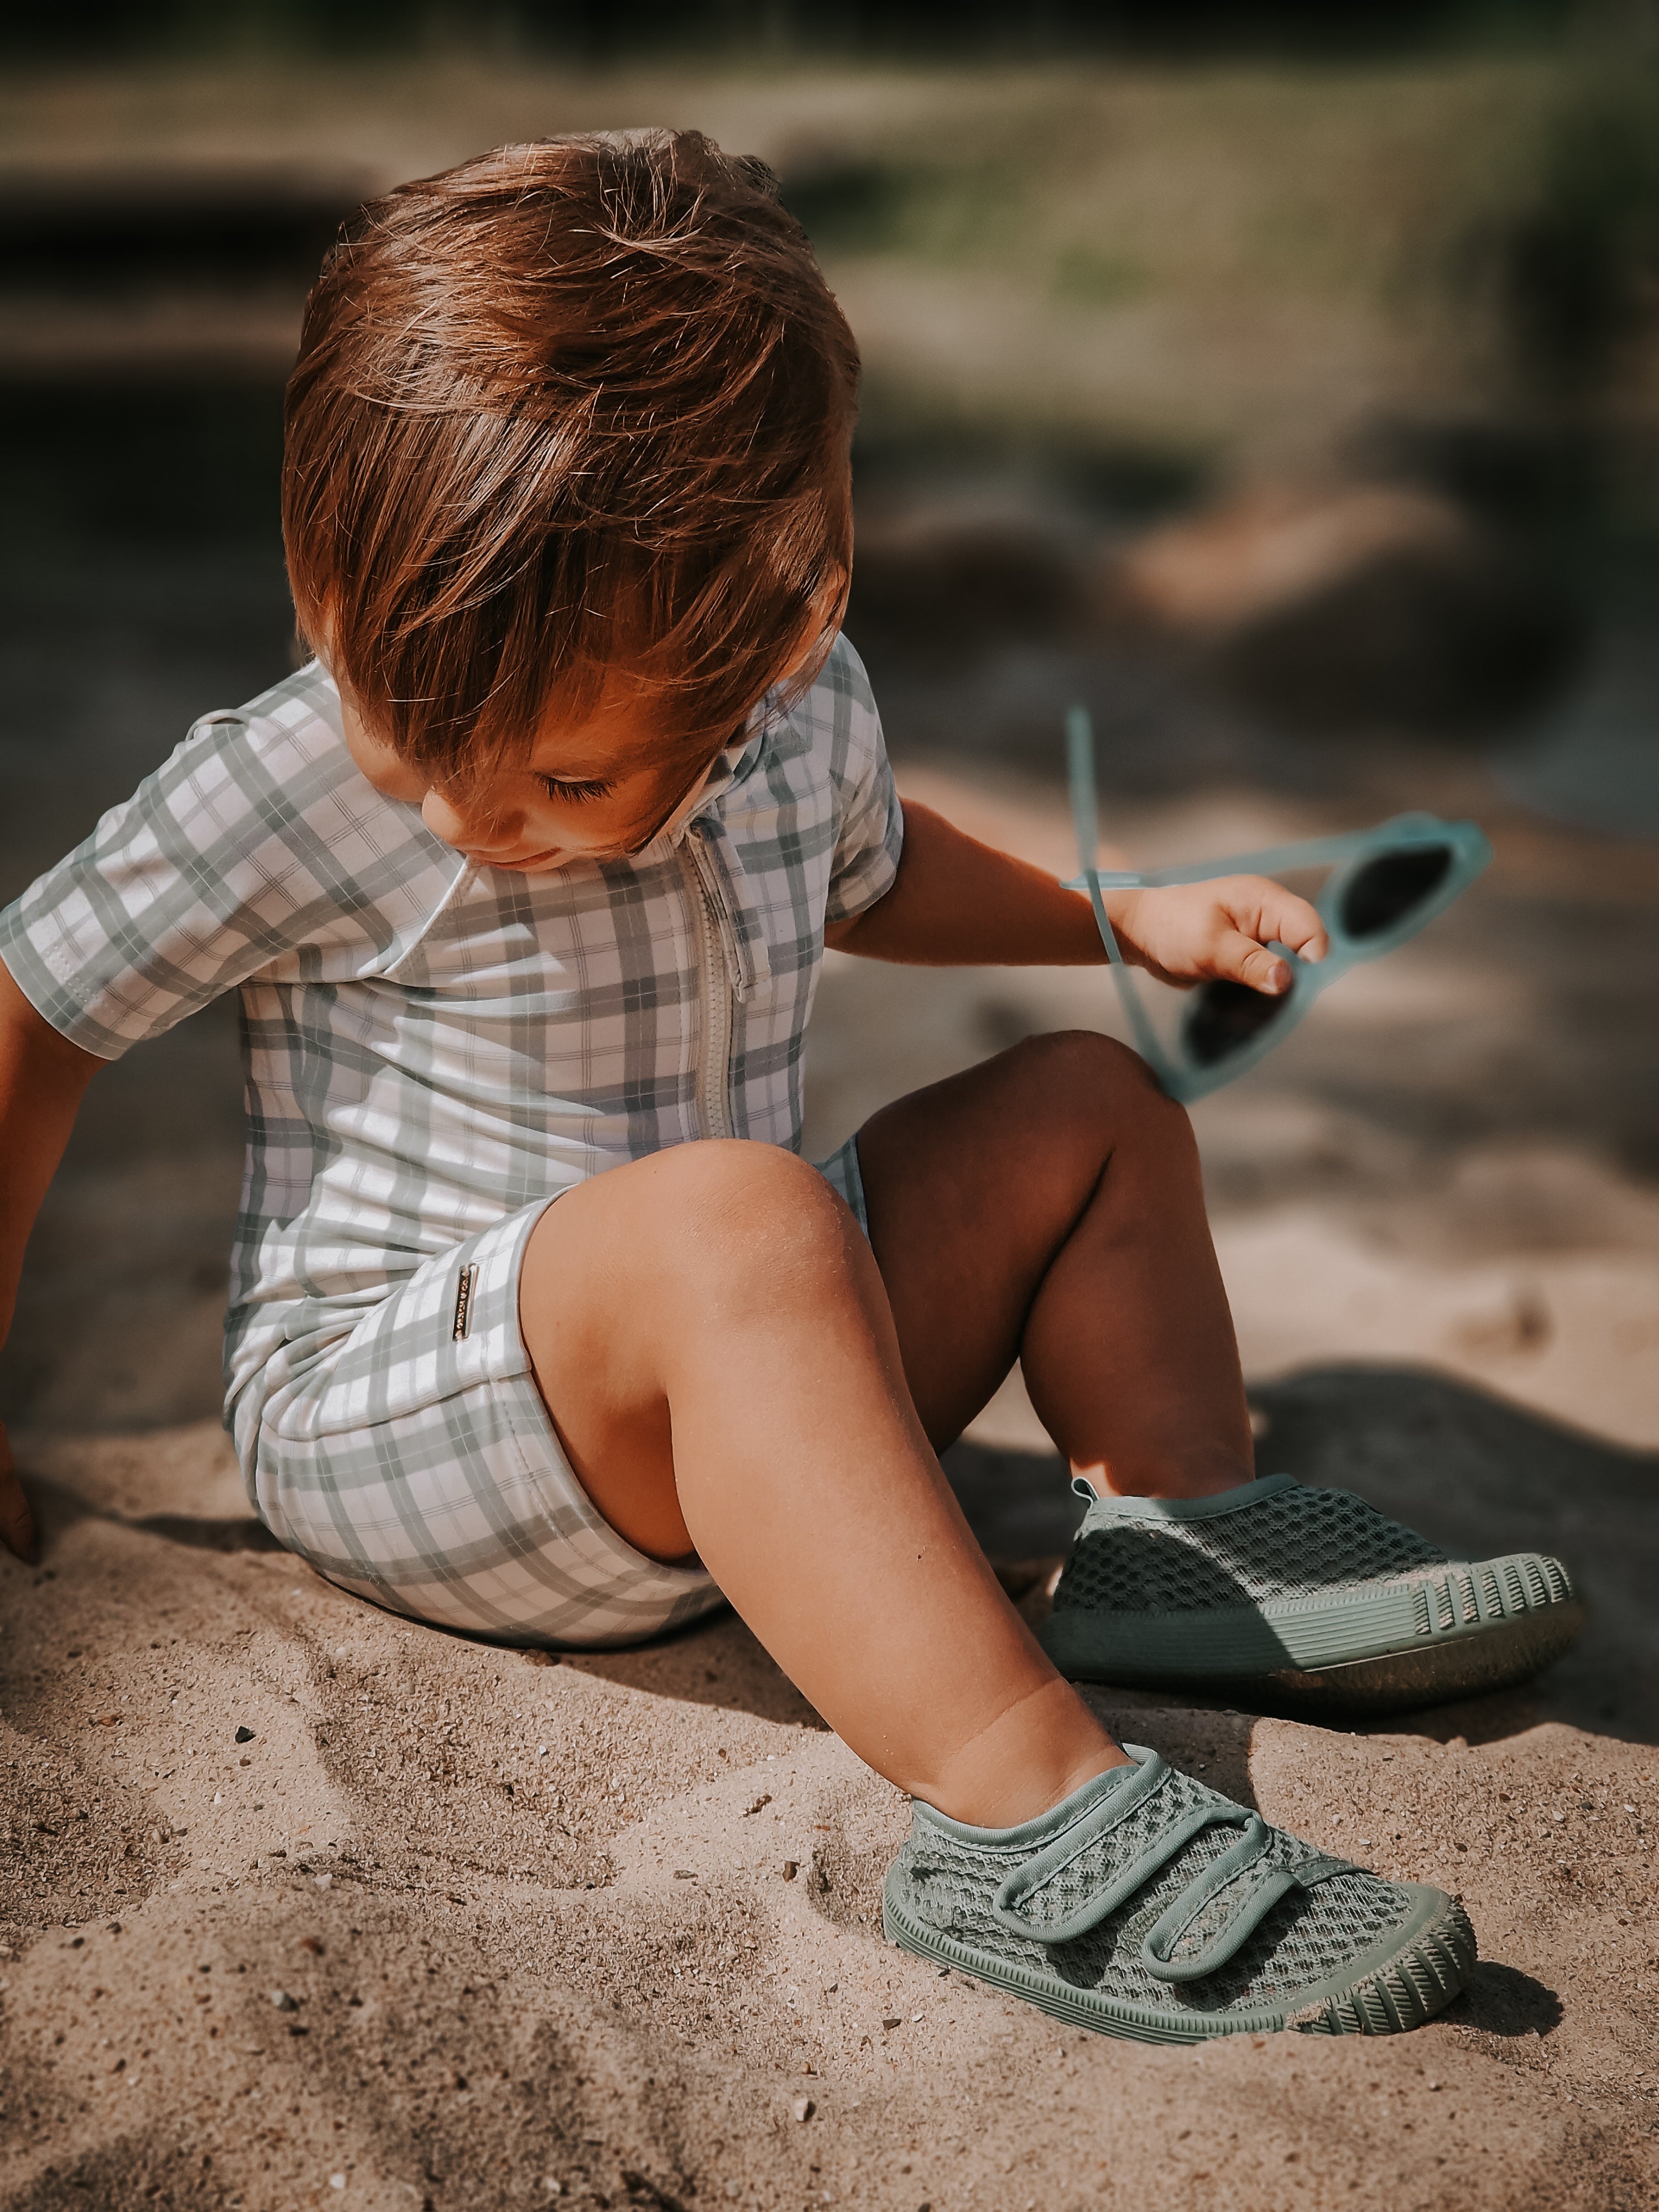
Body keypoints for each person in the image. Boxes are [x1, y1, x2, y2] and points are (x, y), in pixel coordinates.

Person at [0, 132, 1570, 2042]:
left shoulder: (799, 709)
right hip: (402, 1416)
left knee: (1090, 1110)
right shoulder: (306, 778)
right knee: (743, 1218)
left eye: (568, 782)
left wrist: (1117, 916)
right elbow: (38, 1004)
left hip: (746, 1367)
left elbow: (880, 869)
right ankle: (1025, 1806)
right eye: (403, 721)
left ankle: (1176, 1527)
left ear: (778, 641)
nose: (471, 813)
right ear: (322, 581)